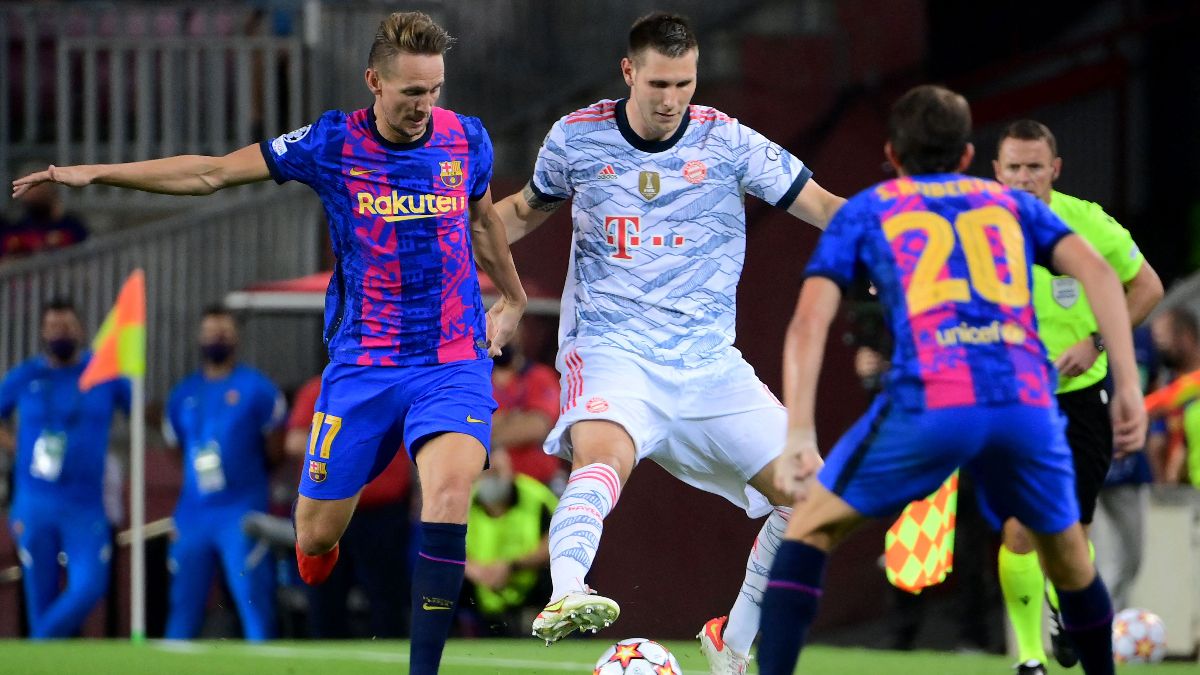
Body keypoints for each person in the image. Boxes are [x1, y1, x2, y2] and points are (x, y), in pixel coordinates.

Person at [12, 12, 527, 672]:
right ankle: (340, 502)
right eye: (411, 92)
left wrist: (509, 297)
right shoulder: (332, 142)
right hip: (363, 365)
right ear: (375, 81)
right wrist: (97, 173)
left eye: (435, 90)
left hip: (450, 357)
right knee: (313, 538)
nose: (426, 106)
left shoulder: (466, 140)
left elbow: (483, 219)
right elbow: (211, 174)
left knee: (449, 494)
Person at [755, 84, 1147, 675]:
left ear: (892, 155)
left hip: (933, 401)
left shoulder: (869, 209)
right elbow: (1097, 272)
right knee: (1070, 559)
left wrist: (801, 433)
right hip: (1025, 402)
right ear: (968, 156)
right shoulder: (1011, 204)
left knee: (807, 531)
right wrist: (1129, 387)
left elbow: (810, 320)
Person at [493, 12, 844, 669]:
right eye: (657, 82)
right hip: (611, 348)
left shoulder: (729, 142)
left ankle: (731, 641)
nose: (670, 98)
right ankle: (567, 589)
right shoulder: (577, 138)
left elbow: (824, 205)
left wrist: (894, 247)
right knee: (603, 460)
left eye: (683, 83)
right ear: (629, 72)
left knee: (816, 499)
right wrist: (451, 251)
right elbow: (519, 212)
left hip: (711, 366)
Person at [990, 120, 1163, 673]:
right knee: (1018, 528)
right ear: (996, 171)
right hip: (1011, 404)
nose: (1023, 178)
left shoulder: (1087, 223)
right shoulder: (976, 226)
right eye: (1013, 167)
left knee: (1070, 533)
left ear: (1055, 169)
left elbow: (1148, 287)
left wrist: (1097, 344)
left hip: (1081, 398)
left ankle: (1069, 614)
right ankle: (1030, 658)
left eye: (1034, 167)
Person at [0, 299, 131, 638]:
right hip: (34, 501)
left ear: (81, 330)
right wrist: (14, 446)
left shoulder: (104, 375)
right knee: (38, 592)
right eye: (54, 327)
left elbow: (141, 408)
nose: (61, 333)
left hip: (85, 505)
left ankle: (38, 643)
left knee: (89, 585)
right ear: (43, 332)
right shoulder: (26, 376)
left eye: (68, 327)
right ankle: (43, 655)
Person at [161, 305, 286, 640]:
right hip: (194, 513)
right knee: (183, 605)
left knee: (253, 601)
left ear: (236, 338)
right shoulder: (183, 394)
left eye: (224, 333)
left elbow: (275, 447)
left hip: (241, 509)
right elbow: (176, 448)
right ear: (199, 338)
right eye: (211, 332)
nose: (217, 338)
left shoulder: (258, 389)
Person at [283, 371, 412, 639]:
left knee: (387, 599)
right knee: (324, 597)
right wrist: (346, 443)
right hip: (330, 509)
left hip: (384, 512)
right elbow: (294, 442)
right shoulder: (319, 388)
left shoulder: (397, 384)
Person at [461, 446, 557, 636]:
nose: (491, 479)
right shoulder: (464, 501)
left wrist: (512, 566)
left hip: (529, 580)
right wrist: (474, 570)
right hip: (479, 584)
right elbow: (443, 545)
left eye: (497, 472)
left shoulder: (536, 496)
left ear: (510, 470)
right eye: (486, 473)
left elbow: (558, 539)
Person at [490, 339, 564, 488]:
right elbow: (461, 425)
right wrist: (513, 417)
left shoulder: (540, 376)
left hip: (539, 483)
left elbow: (536, 427)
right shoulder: (474, 378)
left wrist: (488, 435)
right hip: (489, 484)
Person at [1146, 307, 1200, 485]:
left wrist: (1137, 409)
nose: (1159, 347)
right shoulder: (1167, 382)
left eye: (1164, 339)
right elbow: (1157, 442)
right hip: (1177, 486)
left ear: (1186, 336)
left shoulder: (1189, 384)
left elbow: (1161, 402)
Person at [2, 164, 89, 259]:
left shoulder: (72, 227)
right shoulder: (15, 229)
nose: (33, 194)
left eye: (37, 187)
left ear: (51, 191)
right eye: (26, 189)